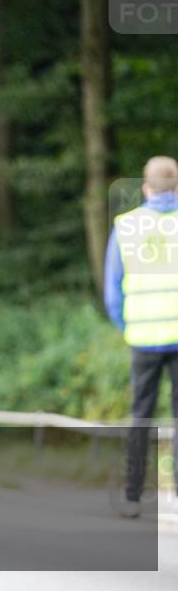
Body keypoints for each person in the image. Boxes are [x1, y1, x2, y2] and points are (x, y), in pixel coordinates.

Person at [104, 155, 178, 518]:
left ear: (146, 188)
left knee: (141, 418)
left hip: (143, 338)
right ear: (177, 187)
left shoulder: (126, 226)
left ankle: (133, 495)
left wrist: (127, 326)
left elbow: (112, 292)